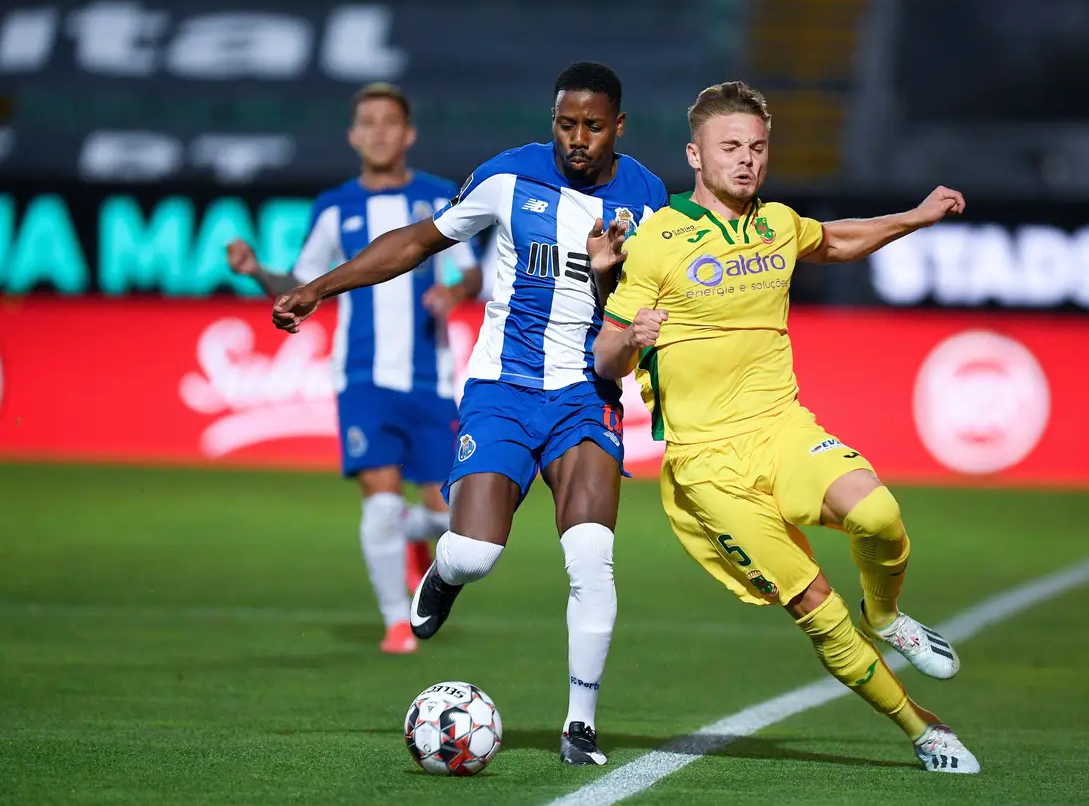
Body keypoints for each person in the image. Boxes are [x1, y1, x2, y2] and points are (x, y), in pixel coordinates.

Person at [269, 62, 668, 766]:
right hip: (502, 389)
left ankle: (579, 724)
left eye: (593, 126)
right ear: (552, 122)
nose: (578, 139)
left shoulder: (649, 198)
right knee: (477, 552)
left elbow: (648, 302)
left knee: (590, 556)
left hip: (586, 394)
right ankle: (445, 572)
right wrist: (320, 288)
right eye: (566, 124)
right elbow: (418, 242)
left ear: (619, 126)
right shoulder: (506, 177)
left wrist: (616, 288)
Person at [592, 81, 980, 774]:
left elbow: (836, 241)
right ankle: (923, 728)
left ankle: (885, 615)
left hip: (781, 427)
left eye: (757, 147)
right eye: (730, 147)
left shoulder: (777, 222)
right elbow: (604, 356)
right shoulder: (656, 241)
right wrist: (631, 338)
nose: (746, 159)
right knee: (815, 604)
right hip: (708, 465)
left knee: (880, 515)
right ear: (695, 155)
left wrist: (915, 217)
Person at [227, 82, 482, 654]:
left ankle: (414, 531)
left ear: (408, 133)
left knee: (457, 523)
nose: (379, 132)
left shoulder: (439, 197)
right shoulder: (334, 207)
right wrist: (256, 271)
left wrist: (453, 293)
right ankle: (397, 623)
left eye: (390, 122)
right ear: (353, 135)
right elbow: (301, 285)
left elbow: (471, 270)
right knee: (381, 502)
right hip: (362, 377)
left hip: (431, 379)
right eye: (368, 122)